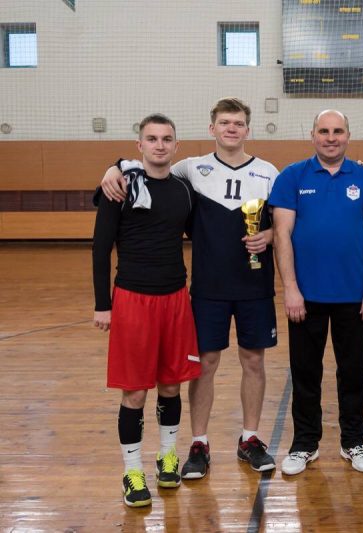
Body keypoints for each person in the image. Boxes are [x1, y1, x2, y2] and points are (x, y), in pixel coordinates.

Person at [100, 98, 279, 478]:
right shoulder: (190, 169)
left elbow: (286, 223)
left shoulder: (268, 172)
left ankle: (250, 437)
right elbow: (148, 166)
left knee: (254, 361)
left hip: (255, 285)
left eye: (239, 123)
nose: (232, 129)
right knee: (205, 365)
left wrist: (270, 235)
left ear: (248, 129)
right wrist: (114, 167)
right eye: (225, 122)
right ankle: (199, 443)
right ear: (212, 128)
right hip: (207, 288)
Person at [269, 109, 363, 475]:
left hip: (354, 297)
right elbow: (281, 235)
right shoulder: (292, 176)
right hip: (305, 298)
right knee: (305, 373)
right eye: (324, 131)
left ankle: (353, 440)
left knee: (352, 372)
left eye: (338, 131)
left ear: (348, 136)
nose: (331, 137)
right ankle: (304, 443)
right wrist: (291, 289)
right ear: (312, 135)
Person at [93, 114, 200, 507]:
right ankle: (132, 471)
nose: (159, 145)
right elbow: (100, 247)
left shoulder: (184, 190)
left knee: (171, 386)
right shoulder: (120, 186)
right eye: (151, 139)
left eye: (166, 139)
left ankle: (167, 457)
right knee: (135, 392)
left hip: (175, 298)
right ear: (139, 146)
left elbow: (204, 234)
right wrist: (102, 305)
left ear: (176, 146)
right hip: (132, 299)